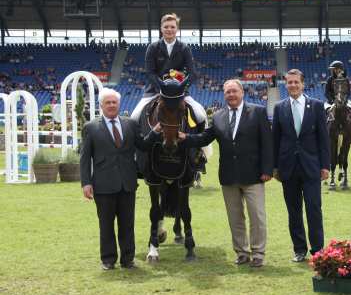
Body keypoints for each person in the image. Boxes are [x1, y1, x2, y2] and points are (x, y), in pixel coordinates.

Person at [180, 79, 273, 267]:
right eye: (227, 92)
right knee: (235, 217)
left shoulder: (258, 112)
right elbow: (205, 137)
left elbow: (267, 144)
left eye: (234, 91)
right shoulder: (219, 116)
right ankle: (242, 253)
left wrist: (267, 170)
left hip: (254, 175)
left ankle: (258, 254)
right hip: (229, 176)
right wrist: (184, 137)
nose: (230, 95)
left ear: (242, 92)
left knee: (257, 216)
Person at [80, 88, 159, 270]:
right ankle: (108, 260)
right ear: (101, 105)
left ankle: (128, 259)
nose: (111, 105)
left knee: (127, 224)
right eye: (107, 102)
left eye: (114, 102)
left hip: (127, 183)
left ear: (119, 104)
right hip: (103, 185)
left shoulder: (130, 124)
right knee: (106, 225)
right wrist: (86, 183)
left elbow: (144, 145)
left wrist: (155, 131)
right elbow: (85, 158)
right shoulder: (91, 127)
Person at [272, 69, 330, 262]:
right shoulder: (279, 108)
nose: (293, 85)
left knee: (314, 209)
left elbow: (324, 139)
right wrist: (275, 167)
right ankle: (299, 250)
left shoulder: (316, 106)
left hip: (311, 166)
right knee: (294, 211)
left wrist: (326, 166)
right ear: (285, 84)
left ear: (303, 84)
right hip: (288, 168)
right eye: (289, 82)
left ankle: (318, 250)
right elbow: (275, 140)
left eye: (296, 82)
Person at [131, 13, 206, 125]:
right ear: (161, 28)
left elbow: (192, 73)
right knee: (134, 118)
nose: (169, 29)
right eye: (166, 27)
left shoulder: (185, 48)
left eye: (172, 27)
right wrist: (162, 88)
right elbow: (150, 73)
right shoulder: (152, 47)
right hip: (155, 90)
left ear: (177, 29)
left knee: (201, 116)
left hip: (179, 92)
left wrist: (180, 88)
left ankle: (203, 142)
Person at [324, 60, 351, 143]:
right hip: (330, 102)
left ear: (339, 69)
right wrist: (333, 101)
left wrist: (344, 101)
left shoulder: (346, 79)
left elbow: (348, 93)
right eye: (332, 69)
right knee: (322, 113)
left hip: (344, 102)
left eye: (333, 69)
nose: (332, 71)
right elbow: (326, 93)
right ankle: (323, 134)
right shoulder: (329, 80)